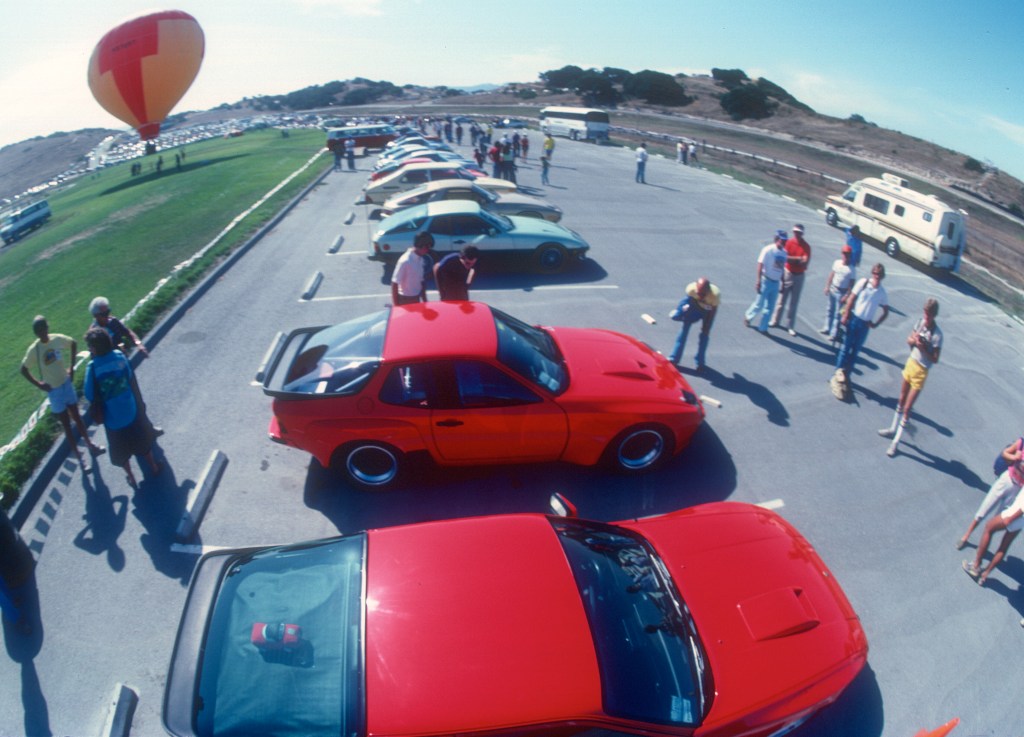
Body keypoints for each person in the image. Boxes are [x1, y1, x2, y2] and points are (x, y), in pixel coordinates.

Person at [21, 315, 105, 472]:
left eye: (44, 328)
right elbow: (23, 369)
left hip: (66, 384)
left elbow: (73, 343)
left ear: (48, 327)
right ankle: (80, 459)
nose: (43, 333)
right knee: (67, 425)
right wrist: (39, 384)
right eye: (39, 331)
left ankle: (90, 445)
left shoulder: (56, 339)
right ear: (36, 333)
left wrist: (71, 368)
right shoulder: (35, 350)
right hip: (54, 392)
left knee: (78, 418)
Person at [83, 327, 161, 488]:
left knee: (121, 451)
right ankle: (153, 466)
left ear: (95, 348)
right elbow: (129, 377)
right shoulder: (119, 356)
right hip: (130, 411)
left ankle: (131, 477)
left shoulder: (92, 368)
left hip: (113, 420)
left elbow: (89, 394)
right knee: (142, 442)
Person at [879, 298, 942, 457]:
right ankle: (893, 429)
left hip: (921, 370)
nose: (926, 318)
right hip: (911, 363)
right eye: (925, 314)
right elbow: (909, 339)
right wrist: (913, 341)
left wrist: (924, 348)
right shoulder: (920, 323)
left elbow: (935, 359)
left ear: (934, 315)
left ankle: (895, 443)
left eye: (928, 315)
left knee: (907, 408)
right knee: (901, 399)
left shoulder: (937, 335)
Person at [957, 438, 1023, 554]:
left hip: (1017, 490)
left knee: (997, 518)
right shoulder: (1021, 443)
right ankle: (966, 536)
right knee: (985, 508)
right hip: (1006, 480)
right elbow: (1004, 453)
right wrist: (1014, 457)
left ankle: (982, 545)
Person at [834, 263, 889, 384]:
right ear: (872, 273)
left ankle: (846, 377)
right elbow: (852, 298)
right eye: (875, 273)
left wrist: (875, 324)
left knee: (855, 351)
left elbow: (886, 311)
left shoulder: (882, 292)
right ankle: (837, 374)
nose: (876, 276)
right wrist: (846, 314)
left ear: (883, 276)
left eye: (879, 274)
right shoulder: (863, 283)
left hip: (865, 325)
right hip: (854, 319)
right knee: (845, 348)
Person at [963, 486, 1024, 587]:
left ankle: (975, 566)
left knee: (989, 528)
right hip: (1021, 521)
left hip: (1014, 514)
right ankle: (984, 575)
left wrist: (1011, 518)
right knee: (1004, 546)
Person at [669, 277, 720, 372]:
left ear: (708, 291)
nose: (700, 296)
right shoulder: (691, 289)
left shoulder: (715, 295)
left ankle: (700, 363)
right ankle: (674, 358)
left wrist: (707, 325)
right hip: (694, 306)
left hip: (707, 311)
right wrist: (683, 312)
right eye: (698, 293)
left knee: (704, 335)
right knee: (684, 330)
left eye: (703, 294)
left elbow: (713, 311)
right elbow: (686, 302)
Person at [769, 223, 812, 336]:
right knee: (781, 299)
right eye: (795, 232)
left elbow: (805, 262)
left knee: (794, 302)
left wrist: (794, 260)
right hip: (788, 272)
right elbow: (784, 258)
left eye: (799, 232)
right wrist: (797, 258)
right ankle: (775, 320)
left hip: (799, 275)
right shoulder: (788, 243)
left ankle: (790, 326)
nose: (797, 234)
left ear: (802, 233)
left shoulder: (806, 246)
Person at [744, 230, 788, 333]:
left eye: (785, 241)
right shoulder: (768, 250)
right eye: (782, 240)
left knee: (770, 307)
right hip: (766, 280)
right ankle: (748, 317)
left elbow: (781, 268)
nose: (784, 243)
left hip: (776, 282)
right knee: (759, 303)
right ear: (777, 239)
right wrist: (758, 281)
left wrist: (782, 282)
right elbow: (760, 265)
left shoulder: (785, 253)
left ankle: (763, 328)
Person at [820, 245, 856, 340]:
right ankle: (827, 327)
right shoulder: (837, 263)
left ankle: (834, 333)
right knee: (829, 310)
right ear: (842, 254)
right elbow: (831, 275)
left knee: (838, 314)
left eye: (847, 254)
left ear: (850, 255)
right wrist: (827, 286)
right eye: (844, 253)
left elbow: (851, 284)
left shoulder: (851, 269)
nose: (846, 256)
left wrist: (847, 295)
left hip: (842, 293)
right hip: (833, 289)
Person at [391, 232, 433, 305]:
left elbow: (421, 282)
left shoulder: (421, 259)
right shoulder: (405, 261)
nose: (428, 250)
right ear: (421, 246)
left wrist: (425, 301)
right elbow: (395, 283)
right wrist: (396, 306)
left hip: (416, 298)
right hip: (404, 300)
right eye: (427, 247)